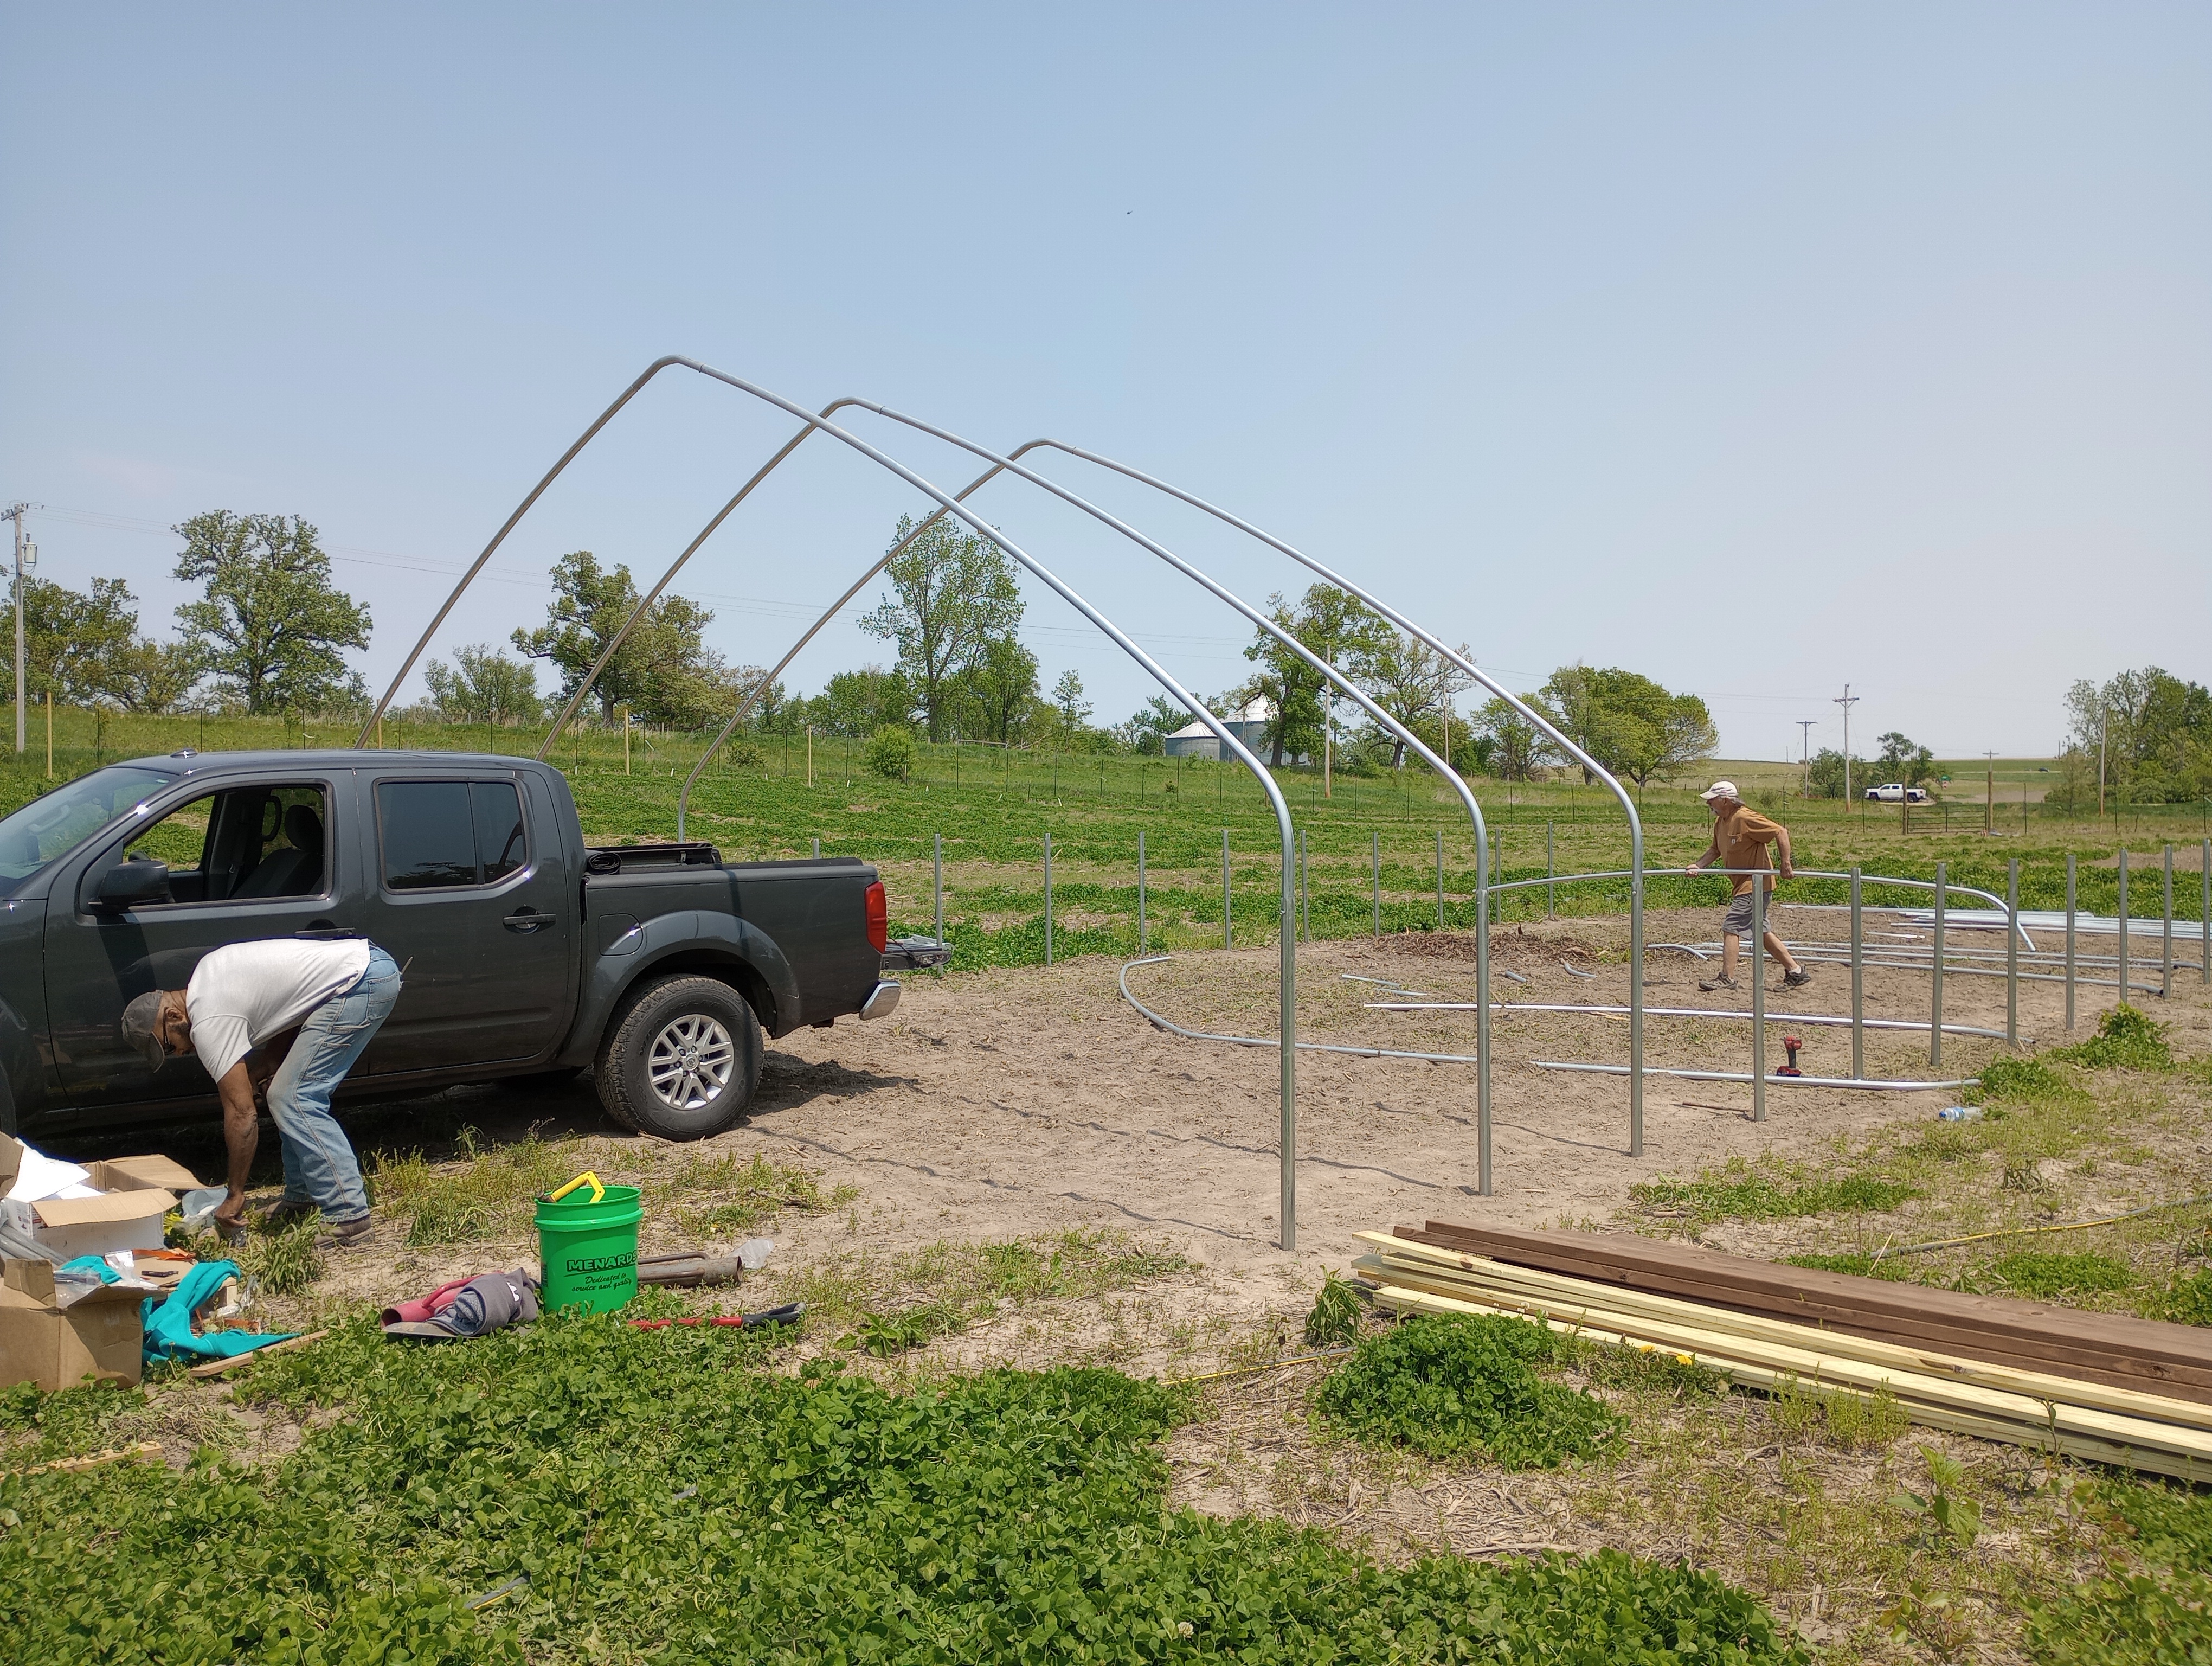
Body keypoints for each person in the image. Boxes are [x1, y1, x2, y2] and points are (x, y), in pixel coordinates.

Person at [119, 937, 401, 1246]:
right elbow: (297, 1002)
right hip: (359, 972)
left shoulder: (209, 1020)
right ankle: (303, 1195)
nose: (178, 1054)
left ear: (174, 1016)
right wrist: (270, 1059)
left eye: (169, 1046)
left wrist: (235, 1194)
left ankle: (349, 1216)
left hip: (361, 981)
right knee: (282, 1092)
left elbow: (242, 1116)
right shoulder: (206, 979)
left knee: (294, 1097)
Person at [1685, 781, 1811, 994]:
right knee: (1760, 931)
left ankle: (1727, 978)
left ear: (1725, 801)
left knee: (1731, 926)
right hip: (1742, 884)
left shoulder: (1745, 817)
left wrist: (1786, 864)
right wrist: (1698, 865)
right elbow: (1715, 849)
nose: (1709, 803)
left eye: (1712, 799)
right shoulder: (1721, 822)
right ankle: (1796, 971)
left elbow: (1780, 832)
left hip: (1755, 883)